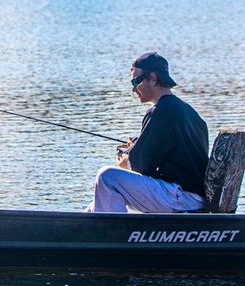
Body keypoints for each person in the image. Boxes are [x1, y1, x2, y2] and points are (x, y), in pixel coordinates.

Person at [85, 52, 208, 213]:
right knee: (95, 206)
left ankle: (113, 233)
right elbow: (168, 154)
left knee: (107, 177)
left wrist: (125, 157)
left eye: (136, 81)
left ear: (153, 78)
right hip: (188, 195)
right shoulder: (188, 112)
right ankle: (78, 226)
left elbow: (140, 166)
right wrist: (136, 147)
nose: (133, 89)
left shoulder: (160, 111)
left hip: (182, 197)